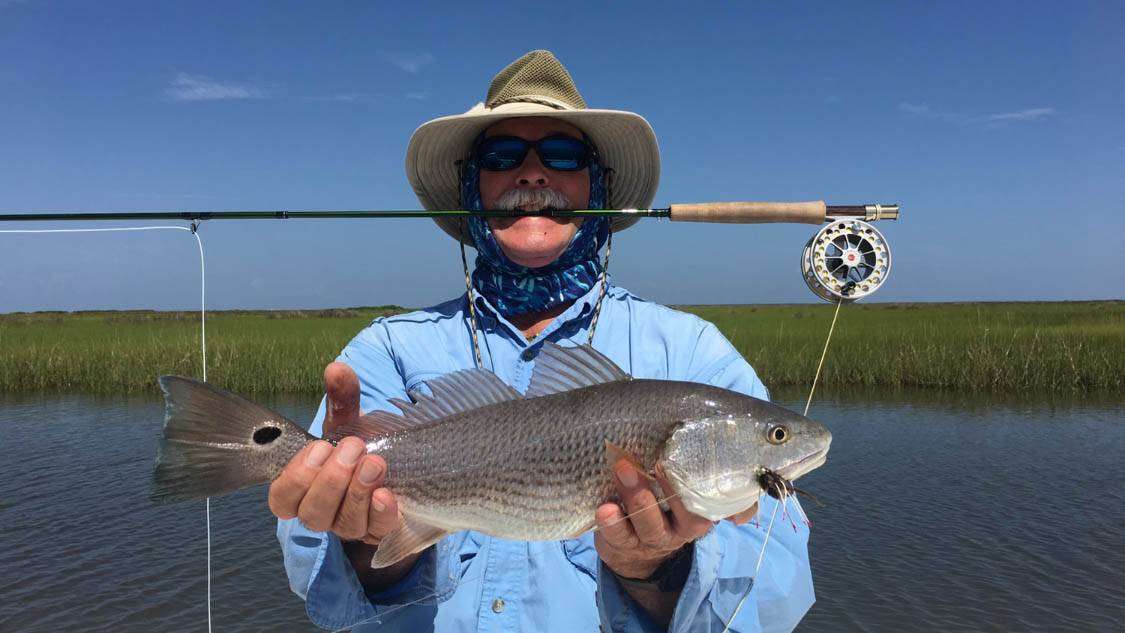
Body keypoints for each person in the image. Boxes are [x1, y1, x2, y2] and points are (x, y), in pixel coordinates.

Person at [270, 50, 814, 632]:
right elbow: (318, 579)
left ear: (598, 184)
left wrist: (657, 571)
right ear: (470, 189)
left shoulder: (695, 353)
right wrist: (364, 546)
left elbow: (779, 592)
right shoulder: (386, 352)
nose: (532, 174)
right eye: (502, 156)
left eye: (563, 154)